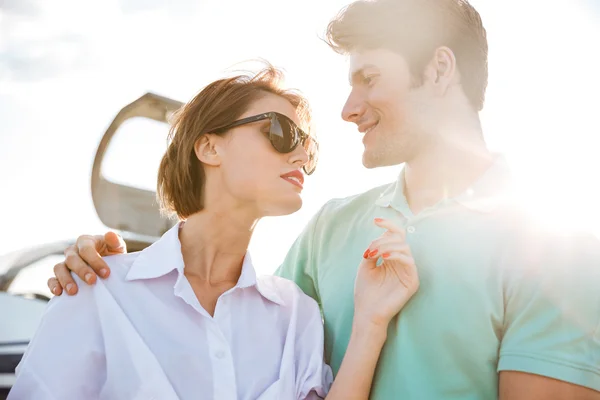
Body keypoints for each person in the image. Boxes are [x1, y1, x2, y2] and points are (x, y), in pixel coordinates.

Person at [48, 0, 600, 398]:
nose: (348, 108)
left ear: (439, 70)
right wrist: (103, 266)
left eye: (368, 77)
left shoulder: (555, 249)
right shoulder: (330, 229)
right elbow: (222, 323)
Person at [9, 65, 420, 400]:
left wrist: (371, 322)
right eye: (282, 133)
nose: (299, 154)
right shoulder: (96, 290)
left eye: (307, 150)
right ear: (209, 148)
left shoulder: (296, 314)